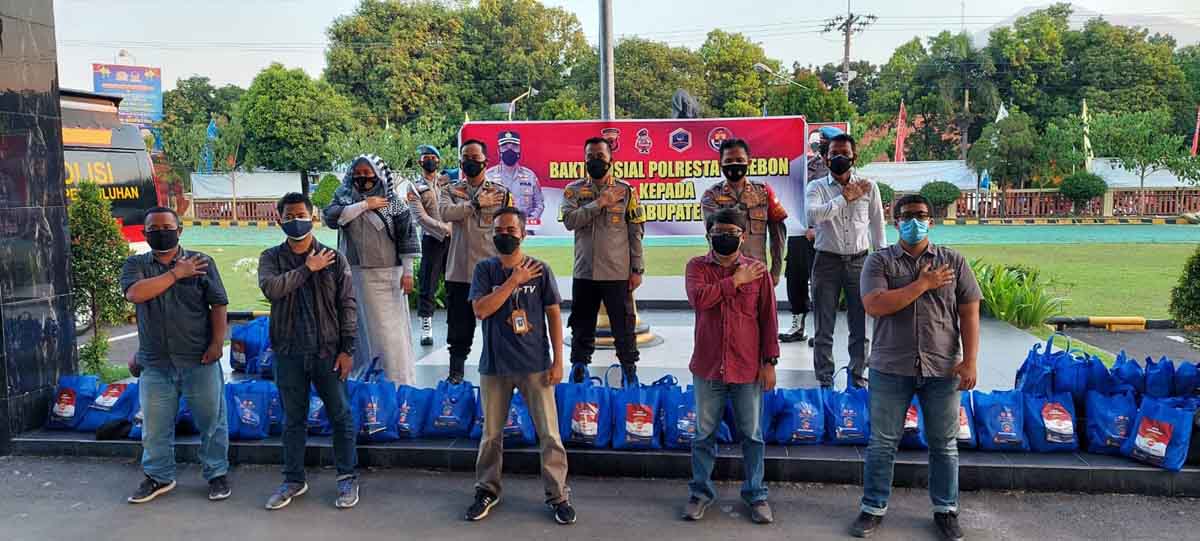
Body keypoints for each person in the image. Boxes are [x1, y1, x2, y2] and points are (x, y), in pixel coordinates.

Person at [850, 194, 981, 541]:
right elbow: (876, 305)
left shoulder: (953, 261)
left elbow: (969, 312)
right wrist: (922, 284)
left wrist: (970, 361)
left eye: (920, 216)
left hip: (942, 369)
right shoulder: (878, 263)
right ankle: (873, 507)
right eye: (906, 216)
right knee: (882, 444)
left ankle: (946, 510)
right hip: (891, 367)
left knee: (944, 444)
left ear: (931, 221)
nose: (913, 222)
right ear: (895, 223)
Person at [464, 207, 574, 525]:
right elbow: (481, 310)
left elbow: (553, 314)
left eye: (512, 229)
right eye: (500, 229)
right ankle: (487, 490)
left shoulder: (540, 269)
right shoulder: (485, 270)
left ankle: (558, 495)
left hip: (535, 366)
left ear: (523, 233)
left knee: (550, 435)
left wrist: (557, 360)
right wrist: (513, 281)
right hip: (495, 367)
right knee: (490, 436)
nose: (506, 235)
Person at [120, 206, 230, 504]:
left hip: (199, 359)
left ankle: (216, 474)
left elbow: (218, 304)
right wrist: (175, 274)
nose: (160, 232)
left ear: (179, 230)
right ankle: (158, 476)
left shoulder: (202, 262)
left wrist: (217, 344)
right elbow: (135, 294)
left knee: (212, 422)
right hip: (155, 363)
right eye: (153, 229)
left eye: (166, 226)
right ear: (144, 234)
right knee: (155, 427)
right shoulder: (135, 265)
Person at [259, 192, 360, 511]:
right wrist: (307, 268)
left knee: (340, 416)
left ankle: (346, 478)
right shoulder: (271, 258)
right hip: (288, 352)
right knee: (293, 419)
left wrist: (347, 349)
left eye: (300, 214)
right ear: (279, 221)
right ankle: (293, 479)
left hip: (328, 352)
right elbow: (272, 289)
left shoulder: (334, 257)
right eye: (288, 216)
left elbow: (347, 305)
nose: (295, 220)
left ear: (313, 216)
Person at [682, 208, 779, 525]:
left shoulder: (759, 271)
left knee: (752, 435)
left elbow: (768, 319)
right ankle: (700, 493)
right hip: (708, 366)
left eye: (732, 232)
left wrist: (770, 362)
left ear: (743, 235)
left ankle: (756, 495)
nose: (725, 236)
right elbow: (700, 299)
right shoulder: (697, 267)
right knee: (703, 435)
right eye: (718, 231)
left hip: (747, 366)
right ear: (708, 235)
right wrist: (735, 281)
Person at [323, 154, 420, 384]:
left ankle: (397, 383)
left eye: (368, 174)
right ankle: (364, 385)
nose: (362, 178)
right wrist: (365, 205)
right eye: (358, 174)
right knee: (359, 333)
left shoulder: (393, 202)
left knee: (388, 336)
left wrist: (408, 273)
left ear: (378, 175)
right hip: (354, 275)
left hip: (387, 277)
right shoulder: (345, 197)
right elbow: (332, 217)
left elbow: (407, 238)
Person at [560, 137, 646, 384]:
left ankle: (630, 372)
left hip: (617, 272)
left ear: (611, 159)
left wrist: (637, 268)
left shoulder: (626, 191)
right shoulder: (574, 190)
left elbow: (635, 231)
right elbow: (569, 221)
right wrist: (600, 203)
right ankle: (578, 372)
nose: (595, 160)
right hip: (585, 272)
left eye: (600, 155)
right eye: (590, 156)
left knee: (624, 327)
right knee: (581, 325)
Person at [806, 133, 885, 389]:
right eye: (834, 154)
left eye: (845, 154)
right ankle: (825, 379)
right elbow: (814, 216)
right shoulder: (816, 187)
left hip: (860, 263)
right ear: (825, 158)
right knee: (823, 325)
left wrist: (882, 261)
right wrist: (844, 198)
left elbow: (877, 225)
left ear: (854, 157)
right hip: (826, 262)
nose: (839, 158)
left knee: (860, 325)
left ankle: (857, 376)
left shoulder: (868, 187)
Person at [439, 139, 514, 384]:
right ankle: (456, 375)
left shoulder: (501, 193)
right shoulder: (450, 190)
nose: (470, 162)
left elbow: (511, 229)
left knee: (500, 329)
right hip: (459, 273)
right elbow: (445, 213)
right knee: (458, 330)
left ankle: (502, 375)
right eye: (465, 158)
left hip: (492, 274)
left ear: (486, 161)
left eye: (475, 158)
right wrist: (474, 204)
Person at [700, 138, 788, 285]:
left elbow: (778, 234)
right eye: (728, 160)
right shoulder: (711, 196)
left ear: (749, 162)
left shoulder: (764, 192)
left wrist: (776, 271)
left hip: (757, 271)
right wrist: (746, 204)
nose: (734, 164)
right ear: (720, 164)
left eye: (739, 159)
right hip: (723, 274)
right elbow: (714, 231)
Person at [783, 127, 841, 343]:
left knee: (821, 283)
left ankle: (822, 329)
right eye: (816, 142)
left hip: (823, 234)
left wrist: (817, 228)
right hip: (798, 231)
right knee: (795, 277)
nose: (818, 145)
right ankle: (798, 325)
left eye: (823, 142)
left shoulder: (839, 171)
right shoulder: (804, 165)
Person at [407, 144, 453, 347]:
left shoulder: (448, 183)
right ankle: (426, 325)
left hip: (452, 240)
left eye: (433, 158)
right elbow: (420, 218)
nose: (430, 161)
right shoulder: (415, 187)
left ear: (439, 161)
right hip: (432, 240)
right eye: (426, 157)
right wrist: (444, 228)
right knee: (428, 284)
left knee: (454, 282)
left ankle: (455, 323)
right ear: (420, 162)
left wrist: (452, 227)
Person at [486, 131, 544, 225]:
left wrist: (529, 221)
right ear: (498, 151)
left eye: (514, 147)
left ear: (519, 150)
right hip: (496, 230)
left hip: (525, 231)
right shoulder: (488, 176)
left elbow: (539, 204)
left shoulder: (530, 176)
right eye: (505, 147)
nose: (510, 150)